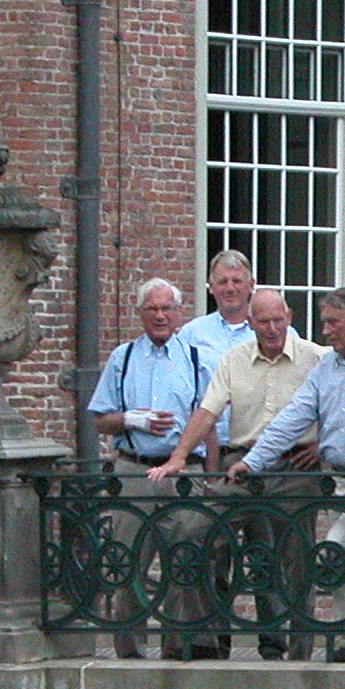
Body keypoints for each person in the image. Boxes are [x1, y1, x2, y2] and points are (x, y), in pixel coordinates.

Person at [226, 286, 345, 661]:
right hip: (341, 480)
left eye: (332, 322)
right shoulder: (326, 366)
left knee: (336, 548)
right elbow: (293, 417)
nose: (325, 330)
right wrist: (253, 461)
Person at [153, 288, 323, 658]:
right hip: (241, 466)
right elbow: (207, 411)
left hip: (293, 467)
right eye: (263, 321)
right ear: (250, 322)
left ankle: (299, 654)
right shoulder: (234, 359)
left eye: (278, 320)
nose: (272, 328)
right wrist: (179, 456)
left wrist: (322, 444)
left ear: (289, 317)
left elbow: (344, 403)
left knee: (296, 558)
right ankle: (203, 640)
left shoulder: (315, 357)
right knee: (194, 533)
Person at [85, 278, 214, 657]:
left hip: (183, 474)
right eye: (152, 309)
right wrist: (130, 419)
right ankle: (130, 652)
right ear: (140, 314)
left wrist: (210, 477)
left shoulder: (196, 359)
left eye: (166, 308)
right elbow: (99, 419)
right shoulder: (122, 358)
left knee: (183, 562)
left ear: (179, 313)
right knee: (127, 562)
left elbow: (209, 422)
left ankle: (177, 647)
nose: (160, 316)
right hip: (134, 470)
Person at [178, 248, 256, 361]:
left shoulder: (271, 332)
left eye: (237, 281)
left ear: (251, 285)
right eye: (223, 282)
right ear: (211, 286)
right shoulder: (191, 334)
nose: (230, 288)